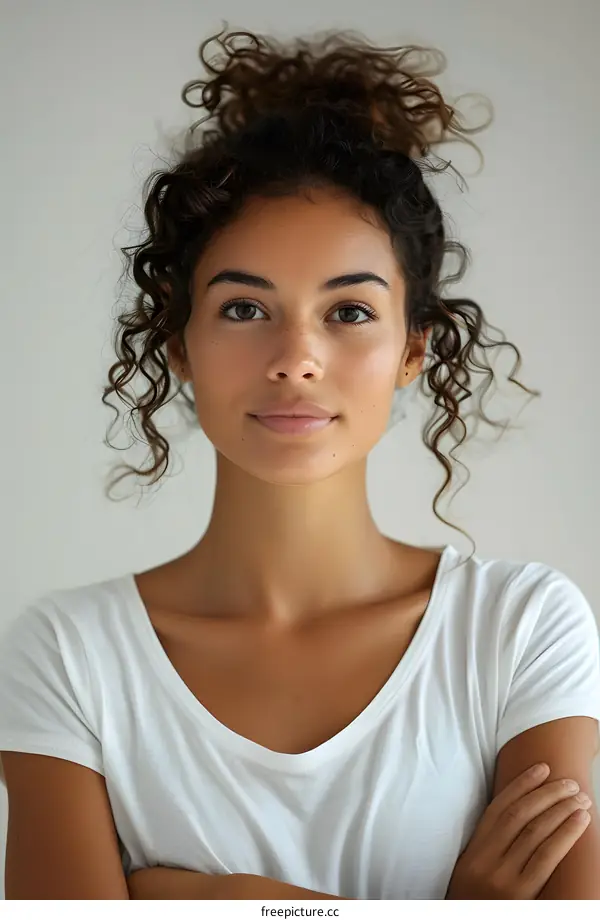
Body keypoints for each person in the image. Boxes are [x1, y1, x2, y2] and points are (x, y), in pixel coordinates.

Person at [1, 26, 600, 901]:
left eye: (349, 313)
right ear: (179, 345)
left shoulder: (518, 630)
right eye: (245, 308)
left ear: (412, 350)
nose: (296, 358)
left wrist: (198, 899)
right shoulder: (70, 655)